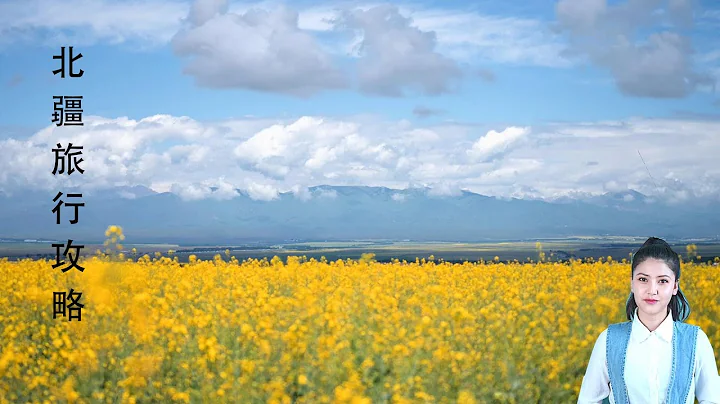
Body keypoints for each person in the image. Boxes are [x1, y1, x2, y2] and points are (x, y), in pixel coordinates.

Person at [577, 237, 720, 404]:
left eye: (663, 281)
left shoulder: (696, 341)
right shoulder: (608, 340)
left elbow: (713, 400)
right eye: (643, 279)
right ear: (632, 283)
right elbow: (588, 400)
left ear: (675, 287)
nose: (652, 290)